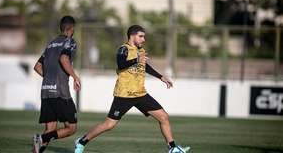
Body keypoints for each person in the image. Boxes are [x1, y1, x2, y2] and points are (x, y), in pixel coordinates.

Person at [74, 25, 190, 153]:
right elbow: (121, 64)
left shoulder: (141, 50)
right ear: (132, 36)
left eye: (144, 36)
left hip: (140, 94)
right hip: (124, 95)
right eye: (141, 36)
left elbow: (144, 66)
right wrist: (136, 59)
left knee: (163, 117)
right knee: (109, 125)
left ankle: (173, 148)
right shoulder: (123, 49)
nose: (143, 39)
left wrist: (161, 77)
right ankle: (81, 141)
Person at [32, 15, 81, 153]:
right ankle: (40, 138)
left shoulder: (51, 44)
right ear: (71, 28)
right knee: (71, 128)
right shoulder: (70, 41)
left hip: (46, 91)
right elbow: (64, 58)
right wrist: (75, 77)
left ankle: (39, 143)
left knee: (50, 129)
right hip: (60, 91)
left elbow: (37, 66)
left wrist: (48, 78)